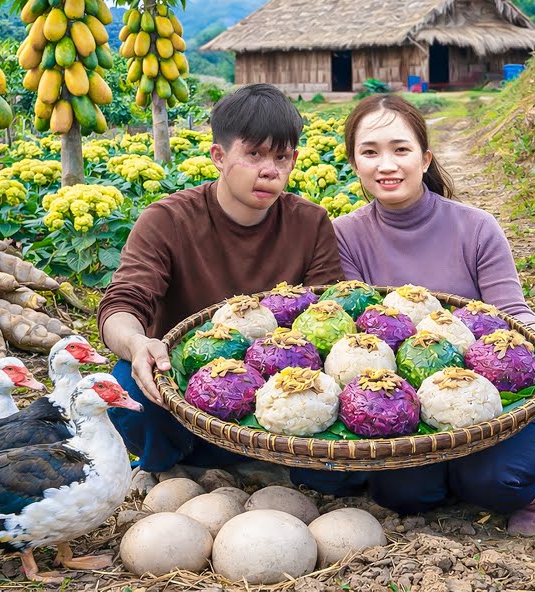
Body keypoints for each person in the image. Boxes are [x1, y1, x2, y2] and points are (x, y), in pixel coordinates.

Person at [332, 93, 535, 536]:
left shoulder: (475, 227)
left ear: (425, 159)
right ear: (355, 164)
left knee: (493, 482)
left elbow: (511, 313)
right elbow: (360, 335)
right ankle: (448, 473)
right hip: (409, 407)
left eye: (400, 149)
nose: (386, 164)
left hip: (503, 397)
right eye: (370, 152)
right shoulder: (345, 235)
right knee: (405, 495)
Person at [96, 83, 354, 492]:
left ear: (294, 161)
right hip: (186, 388)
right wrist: (136, 343)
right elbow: (124, 302)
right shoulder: (168, 219)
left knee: (343, 479)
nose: (269, 170)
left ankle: (256, 460)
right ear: (219, 156)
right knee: (129, 387)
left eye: (281, 157)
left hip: (282, 394)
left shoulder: (310, 222)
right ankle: (175, 463)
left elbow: (332, 315)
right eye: (254, 154)